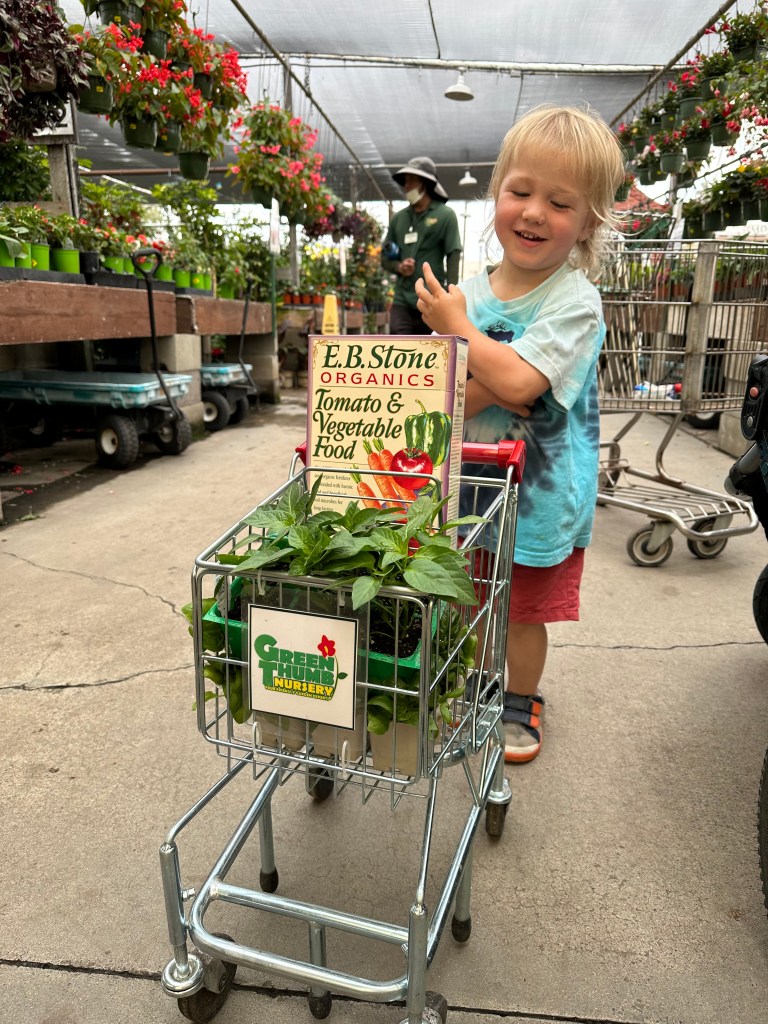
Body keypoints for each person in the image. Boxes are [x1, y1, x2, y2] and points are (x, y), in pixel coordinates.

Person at [414, 105, 624, 763]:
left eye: (560, 202)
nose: (534, 212)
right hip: (467, 487)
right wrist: (488, 370)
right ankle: (477, 684)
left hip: (537, 493)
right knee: (470, 595)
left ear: (589, 220)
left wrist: (468, 340)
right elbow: (442, 394)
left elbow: (522, 385)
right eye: (521, 191)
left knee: (525, 609)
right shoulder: (470, 292)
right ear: (497, 193)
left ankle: (519, 698)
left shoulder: (573, 302)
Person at [381, 156, 462, 335]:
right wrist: (399, 266)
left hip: (432, 299)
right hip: (402, 298)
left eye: (411, 180)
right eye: (405, 181)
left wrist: (451, 294)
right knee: (398, 349)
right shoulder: (399, 219)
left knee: (429, 352)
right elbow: (384, 258)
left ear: (425, 183)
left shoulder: (445, 215)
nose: (406, 186)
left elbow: (453, 254)